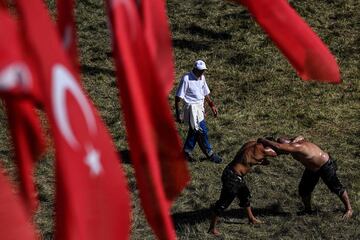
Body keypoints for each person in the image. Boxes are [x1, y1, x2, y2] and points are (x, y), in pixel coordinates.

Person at [258, 136, 353, 219]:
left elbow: (279, 147)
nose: (284, 150)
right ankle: (308, 210)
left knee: (336, 188)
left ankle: (349, 209)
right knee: (303, 190)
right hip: (312, 168)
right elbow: (279, 148)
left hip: (325, 165)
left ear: (289, 143)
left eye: (285, 147)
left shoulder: (297, 146)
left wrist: (263, 140)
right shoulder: (293, 144)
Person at [208, 140, 278, 235]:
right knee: (223, 203)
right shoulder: (262, 151)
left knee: (245, 196)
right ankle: (212, 229)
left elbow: (250, 159)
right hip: (232, 178)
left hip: (232, 173)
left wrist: (260, 161)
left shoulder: (251, 144)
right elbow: (276, 152)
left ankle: (251, 219)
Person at [175, 59, 222, 163]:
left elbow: (205, 93)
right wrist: (178, 114)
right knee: (202, 130)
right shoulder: (186, 78)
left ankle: (186, 153)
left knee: (195, 131)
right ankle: (210, 153)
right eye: (200, 71)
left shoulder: (202, 78)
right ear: (194, 69)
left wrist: (212, 105)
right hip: (191, 108)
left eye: (203, 71)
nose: (202, 73)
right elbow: (178, 98)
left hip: (200, 108)